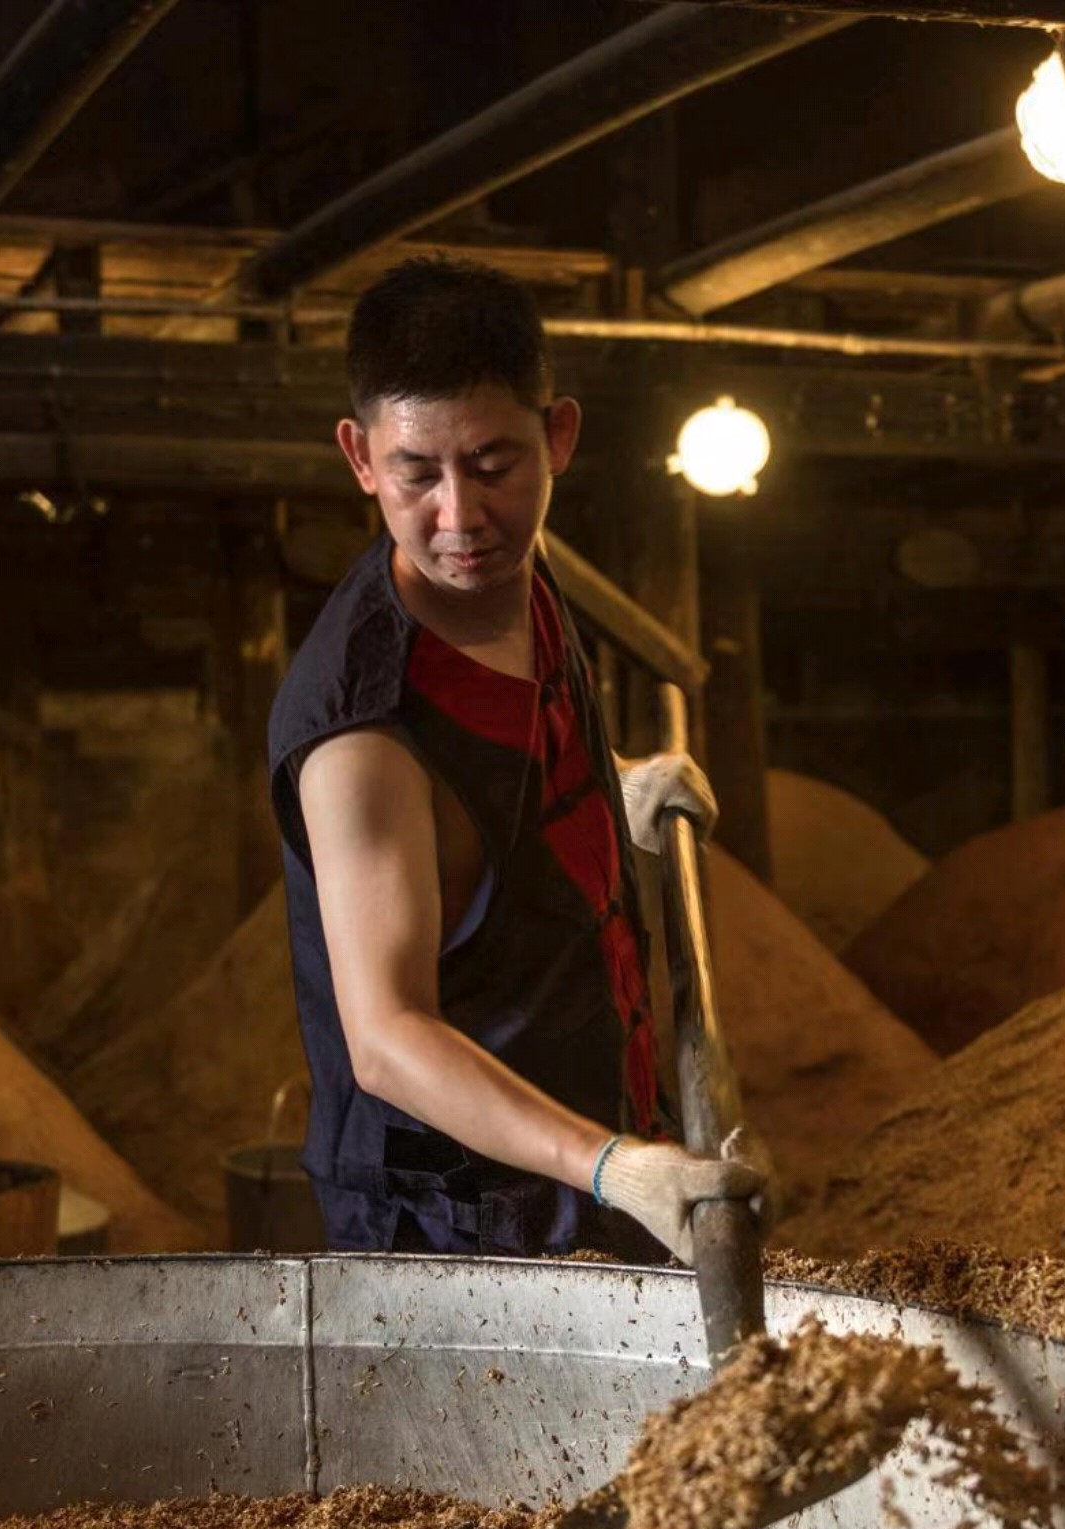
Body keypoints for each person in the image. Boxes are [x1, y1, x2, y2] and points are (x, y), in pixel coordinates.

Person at [266, 258, 763, 1263]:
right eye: (416, 474)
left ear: (559, 438)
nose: (460, 518)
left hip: (584, 1144)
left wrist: (606, 785)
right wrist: (614, 1164)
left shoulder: (526, 581)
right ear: (361, 457)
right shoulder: (363, 730)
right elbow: (389, 1038)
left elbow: (490, 793)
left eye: (493, 466)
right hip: (459, 1225)